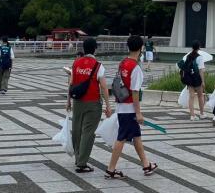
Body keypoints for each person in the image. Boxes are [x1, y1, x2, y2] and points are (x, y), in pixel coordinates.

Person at [105, 35, 157, 180]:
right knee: (121, 139)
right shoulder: (136, 68)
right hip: (129, 110)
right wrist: (138, 113)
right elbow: (135, 92)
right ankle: (110, 169)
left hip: (121, 106)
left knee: (136, 137)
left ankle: (146, 164)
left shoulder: (123, 63)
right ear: (141, 48)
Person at [67, 38, 112, 173]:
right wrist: (108, 106)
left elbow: (71, 83)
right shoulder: (98, 65)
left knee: (76, 129)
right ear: (95, 49)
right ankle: (82, 163)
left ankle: (77, 157)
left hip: (78, 102)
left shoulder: (76, 63)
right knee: (88, 132)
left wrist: (68, 100)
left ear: (84, 48)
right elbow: (104, 87)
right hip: (93, 103)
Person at [183, 41, 206, 121]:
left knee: (191, 96)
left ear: (192, 47)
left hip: (189, 78)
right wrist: (203, 81)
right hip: (197, 79)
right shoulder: (200, 57)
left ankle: (192, 116)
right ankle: (202, 113)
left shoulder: (188, 56)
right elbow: (201, 70)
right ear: (199, 48)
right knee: (200, 95)